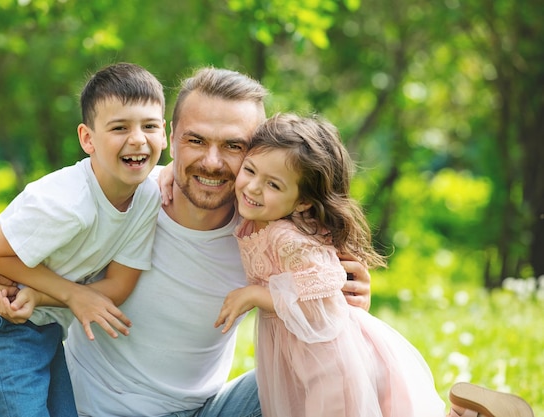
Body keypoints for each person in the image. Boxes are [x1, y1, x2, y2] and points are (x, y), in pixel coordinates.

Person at [0, 67, 372, 416]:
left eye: (234, 146)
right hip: (95, 408)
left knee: (338, 369)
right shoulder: (128, 199)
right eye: (196, 141)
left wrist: (352, 297)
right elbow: (1, 244)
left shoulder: (266, 233)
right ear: (170, 139)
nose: (212, 162)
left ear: (256, 153)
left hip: (207, 409)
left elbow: (331, 299)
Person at [213, 112, 535, 417]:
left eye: (274, 184)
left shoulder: (285, 235)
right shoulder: (262, 216)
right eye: (250, 170)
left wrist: (255, 296)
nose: (253, 187)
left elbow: (321, 287)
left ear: (303, 202)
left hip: (325, 363)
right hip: (305, 352)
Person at [0, 62, 167, 417]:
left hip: (42, 320)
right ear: (87, 139)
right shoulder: (69, 202)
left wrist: (42, 295)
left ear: (165, 134)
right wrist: (71, 293)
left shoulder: (147, 198)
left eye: (150, 126)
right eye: (120, 127)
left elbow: (119, 285)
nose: (138, 138)